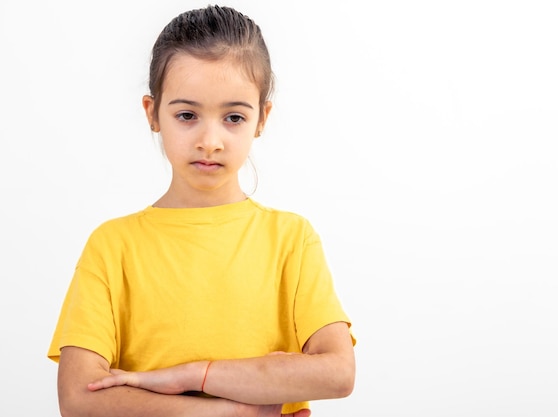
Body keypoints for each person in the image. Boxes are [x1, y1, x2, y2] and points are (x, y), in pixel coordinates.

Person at [47, 4, 356, 417]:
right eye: (187, 115)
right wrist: (234, 412)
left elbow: (337, 373)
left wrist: (193, 376)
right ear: (152, 112)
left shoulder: (291, 239)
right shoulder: (113, 246)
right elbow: (79, 398)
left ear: (261, 118)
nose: (210, 140)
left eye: (233, 117)